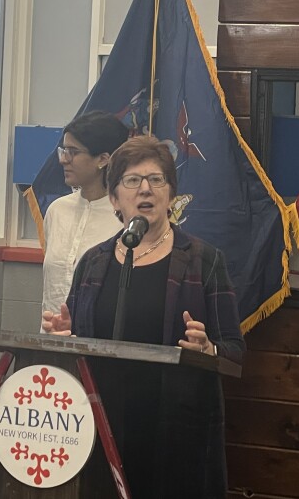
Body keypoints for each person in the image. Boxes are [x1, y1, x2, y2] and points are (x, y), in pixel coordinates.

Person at [42, 135, 244, 498]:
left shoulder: (203, 259)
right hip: (101, 424)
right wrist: (65, 336)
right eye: (133, 181)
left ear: (170, 195)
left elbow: (235, 350)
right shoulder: (94, 261)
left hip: (174, 430)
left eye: (157, 179)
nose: (145, 189)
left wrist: (208, 348)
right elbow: (79, 334)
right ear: (115, 199)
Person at [41, 110, 129, 319]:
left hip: (100, 343)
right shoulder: (57, 210)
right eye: (63, 150)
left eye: (73, 152)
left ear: (103, 159)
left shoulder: (126, 217)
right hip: (52, 339)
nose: (63, 160)